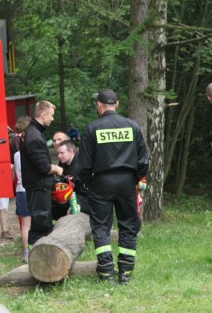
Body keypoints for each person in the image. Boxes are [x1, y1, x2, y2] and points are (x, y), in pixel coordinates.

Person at [79, 89, 148, 285]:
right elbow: (143, 160)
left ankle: (106, 272)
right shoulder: (132, 126)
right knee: (128, 224)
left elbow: (83, 164)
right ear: (116, 104)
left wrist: (86, 183)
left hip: (101, 182)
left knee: (101, 226)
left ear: (99, 105)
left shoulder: (91, 128)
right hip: (127, 181)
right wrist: (135, 178)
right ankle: (125, 272)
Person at [20, 101, 64, 248]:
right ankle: (36, 257)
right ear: (43, 114)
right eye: (51, 116)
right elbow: (44, 167)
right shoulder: (34, 135)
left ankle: (42, 256)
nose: (52, 119)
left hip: (37, 185)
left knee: (43, 222)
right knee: (40, 225)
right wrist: (57, 169)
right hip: (38, 186)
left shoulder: (32, 132)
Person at [0, 115, 32, 240]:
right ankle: (4, 231)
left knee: (4, 207)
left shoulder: (9, 144)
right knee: (4, 207)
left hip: (5, 178)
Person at [52, 140, 91, 218]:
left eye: (62, 153)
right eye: (58, 153)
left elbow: (66, 185)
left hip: (86, 199)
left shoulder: (78, 165)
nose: (59, 156)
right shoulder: (64, 162)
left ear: (71, 152)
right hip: (75, 194)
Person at [13, 150, 31, 263]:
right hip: (31, 188)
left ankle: (26, 253)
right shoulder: (30, 152)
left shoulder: (16, 155)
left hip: (20, 190)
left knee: (25, 225)